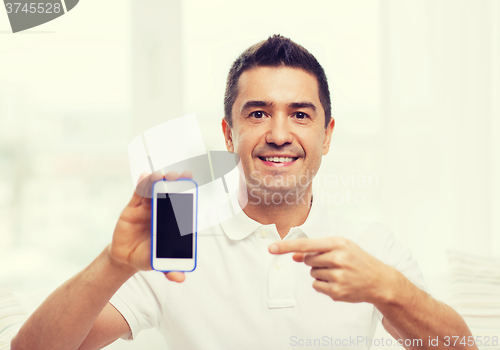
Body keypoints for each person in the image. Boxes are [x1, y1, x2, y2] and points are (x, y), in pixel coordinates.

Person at [12, 35, 477, 350]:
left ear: (327, 134)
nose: (278, 133)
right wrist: (112, 264)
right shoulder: (175, 250)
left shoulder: (374, 248)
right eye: (257, 114)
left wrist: (388, 289)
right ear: (229, 134)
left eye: (300, 114)